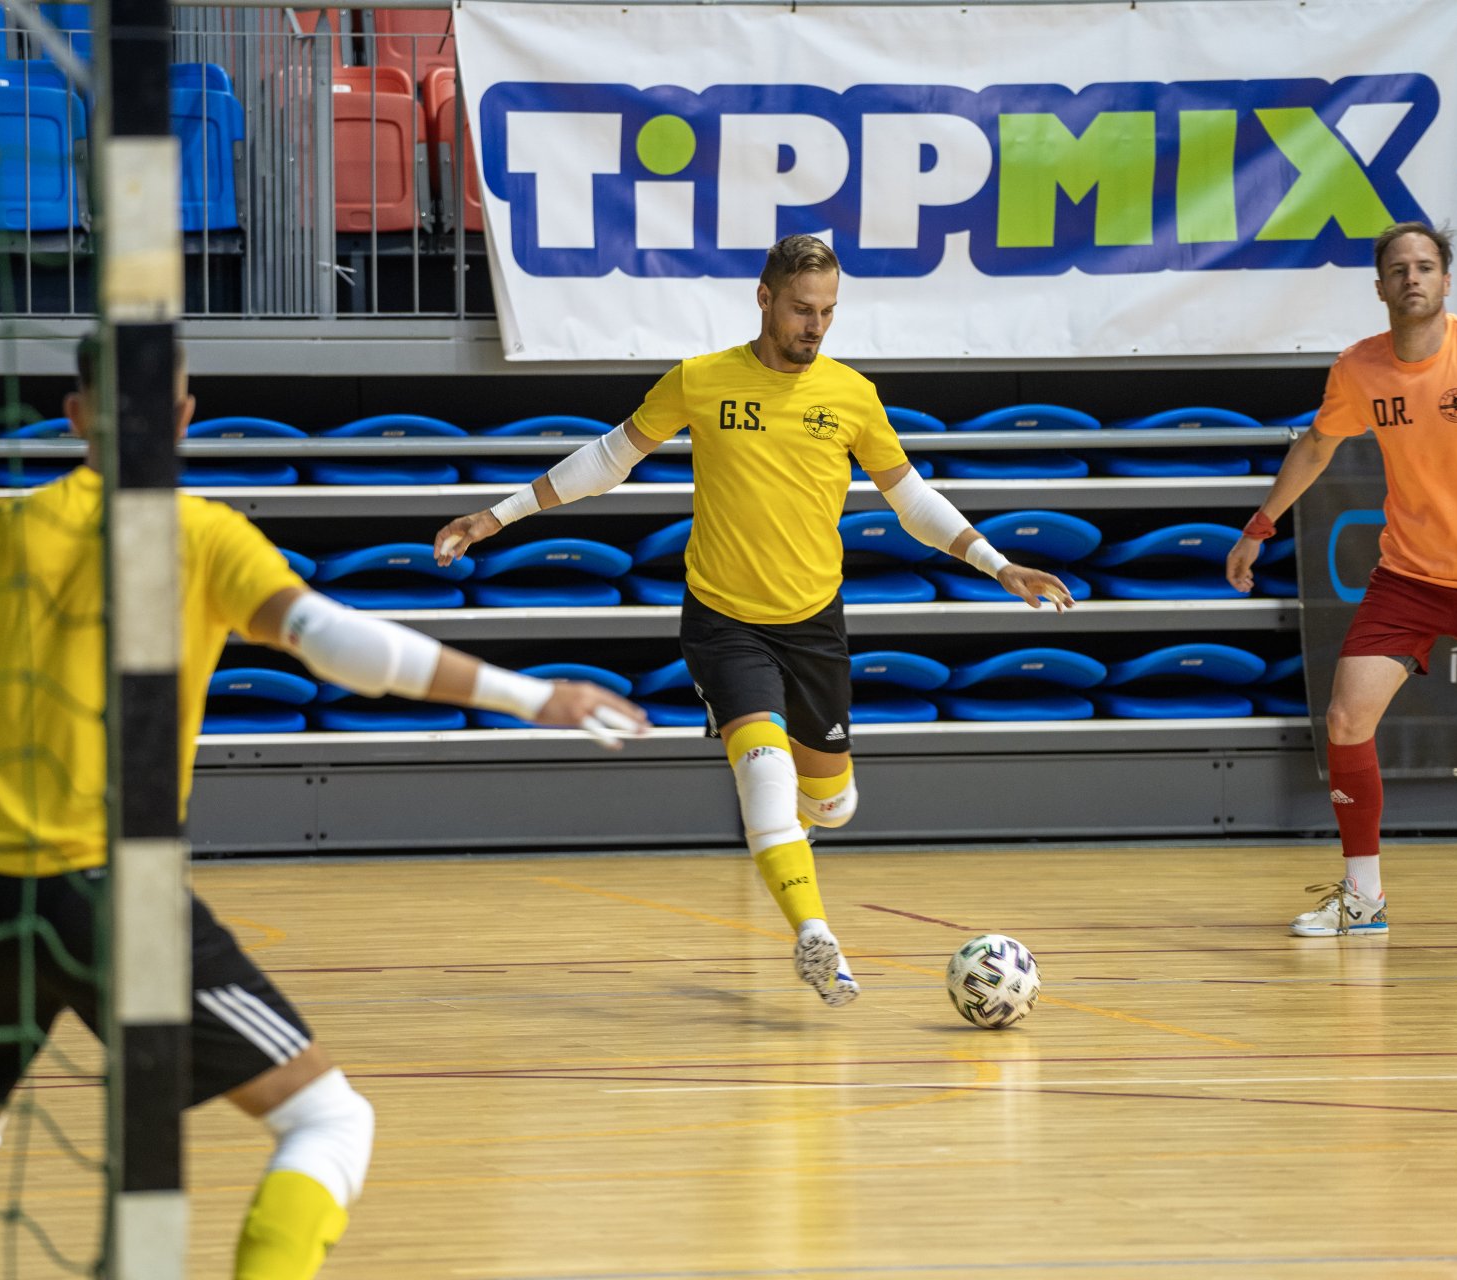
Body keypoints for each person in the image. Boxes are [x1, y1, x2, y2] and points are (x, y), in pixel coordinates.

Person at [0, 335, 647, 1280]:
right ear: (187, 415)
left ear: (76, 417)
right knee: (329, 1120)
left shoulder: (5, 529)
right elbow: (343, 645)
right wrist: (532, 696)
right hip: (109, 892)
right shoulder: (203, 537)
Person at [433, 235, 1073, 1007]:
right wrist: (498, 516)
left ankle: (798, 832)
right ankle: (816, 938)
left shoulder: (851, 396)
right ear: (764, 298)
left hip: (813, 625)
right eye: (803, 309)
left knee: (832, 806)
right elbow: (608, 458)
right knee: (763, 774)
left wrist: (998, 563)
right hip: (723, 621)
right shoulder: (702, 382)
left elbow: (911, 502)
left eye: (829, 312)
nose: (816, 326)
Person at [1225, 221, 1457, 938]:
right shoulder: (1360, 368)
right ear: (1380, 287)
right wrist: (1258, 526)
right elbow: (1318, 446)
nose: (1414, 278)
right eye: (1399, 269)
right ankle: (1363, 899)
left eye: (1427, 266)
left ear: (1448, 281)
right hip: (1414, 579)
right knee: (1345, 717)